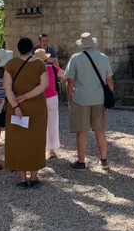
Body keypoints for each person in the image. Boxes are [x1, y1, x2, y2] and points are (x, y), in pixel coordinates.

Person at [4, 38, 49, 188]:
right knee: (35, 140)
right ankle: (34, 177)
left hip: (16, 107)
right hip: (36, 106)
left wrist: (16, 105)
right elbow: (44, 85)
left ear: (18, 48)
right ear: (31, 48)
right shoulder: (39, 64)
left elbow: (7, 88)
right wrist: (27, 96)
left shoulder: (10, 65)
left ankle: (22, 178)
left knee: (18, 140)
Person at [65, 32, 113, 171]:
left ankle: (81, 162)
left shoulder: (75, 58)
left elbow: (70, 81)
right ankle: (104, 160)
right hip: (99, 97)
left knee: (82, 131)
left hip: (81, 98)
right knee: (100, 129)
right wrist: (110, 95)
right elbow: (109, 80)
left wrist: (69, 98)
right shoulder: (103, 58)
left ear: (82, 45)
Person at [34, 48, 65, 159]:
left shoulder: (33, 70)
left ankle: (40, 148)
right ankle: (51, 150)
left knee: (40, 124)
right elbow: (65, 75)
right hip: (52, 97)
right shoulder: (52, 68)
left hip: (39, 98)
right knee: (53, 122)